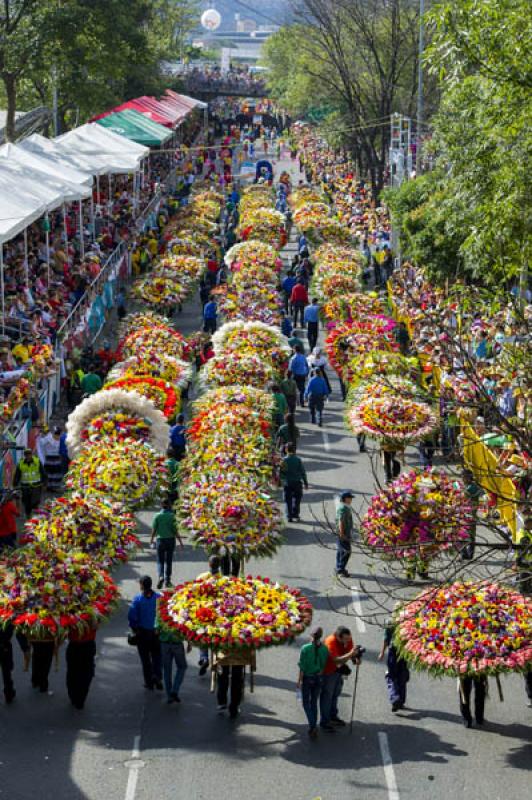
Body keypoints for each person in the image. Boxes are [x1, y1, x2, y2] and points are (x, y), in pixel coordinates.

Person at [320, 626, 361, 731]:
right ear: (338, 637)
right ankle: (324, 722)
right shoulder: (330, 642)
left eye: (349, 638)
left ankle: (333, 716)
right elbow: (336, 660)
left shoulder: (348, 638)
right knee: (327, 696)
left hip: (338, 671)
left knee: (335, 694)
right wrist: (351, 654)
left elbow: (351, 651)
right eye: (346, 639)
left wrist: (355, 659)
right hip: (328, 672)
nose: (348, 641)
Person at [127, 575, 163, 690]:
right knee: (157, 656)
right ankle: (157, 675)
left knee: (145, 660)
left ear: (141, 585)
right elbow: (163, 615)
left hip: (142, 634)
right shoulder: (158, 598)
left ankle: (149, 682)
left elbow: (132, 617)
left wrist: (134, 629)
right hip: (156, 633)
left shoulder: (137, 599)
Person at [297, 626, 329, 738]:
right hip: (319, 678)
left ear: (311, 635)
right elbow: (323, 666)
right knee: (314, 702)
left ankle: (312, 725)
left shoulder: (305, 648)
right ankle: (313, 726)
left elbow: (302, 667)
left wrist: (299, 681)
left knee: (305, 703)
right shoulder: (325, 649)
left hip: (308, 678)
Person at [150, 499, 184, 589]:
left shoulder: (157, 516)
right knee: (169, 561)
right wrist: (180, 542)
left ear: (161, 505)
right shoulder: (172, 516)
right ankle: (167, 580)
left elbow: (154, 529)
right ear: (169, 505)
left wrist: (151, 539)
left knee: (160, 561)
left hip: (160, 540)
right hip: (170, 540)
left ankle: (161, 576)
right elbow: (175, 530)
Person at [378, 616, 409, 712]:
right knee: (402, 676)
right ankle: (400, 700)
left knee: (392, 676)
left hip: (395, 653)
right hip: (403, 652)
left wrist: (382, 652)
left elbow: (386, 639)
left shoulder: (390, 622)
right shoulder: (408, 621)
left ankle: (395, 699)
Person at [66, 626, 97, 710]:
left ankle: (76, 697)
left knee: (75, 672)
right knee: (81, 672)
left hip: (81, 645)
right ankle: (78, 698)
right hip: (81, 644)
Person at [158, 626, 189, 705]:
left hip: (164, 644)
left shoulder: (161, 613)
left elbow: (157, 627)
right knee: (182, 667)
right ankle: (174, 690)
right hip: (177, 643)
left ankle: (169, 695)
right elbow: (186, 627)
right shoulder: (180, 613)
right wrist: (189, 641)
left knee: (167, 670)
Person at [13, 448, 46, 518]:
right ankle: (28, 515)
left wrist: (45, 483)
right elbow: (17, 475)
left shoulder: (37, 462)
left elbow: (43, 472)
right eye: (26, 455)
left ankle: (35, 516)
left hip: (36, 485)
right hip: (25, 486)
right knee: (26, 502)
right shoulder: (21, 464)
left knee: (35, 501)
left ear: (31, 454)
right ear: (25, 455)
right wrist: (15, 484)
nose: (28, 456)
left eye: (29, 454)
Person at [280, 444, 309, 523]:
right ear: (294, 450)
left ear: (286, 450)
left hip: (287, 483)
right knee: (297, 499)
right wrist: (306, 483)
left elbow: (281, 473)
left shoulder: (284, 460)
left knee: (288, 500)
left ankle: (289, 516)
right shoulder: (298, 460)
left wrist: (281, 481)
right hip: (297, 483)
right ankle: (295, 515)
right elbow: (303, 472)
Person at [462, 470, 484, 560]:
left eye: (464, 477)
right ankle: (466, 553)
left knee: (467, 535)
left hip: (470, 515)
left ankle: (468, 554)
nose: (463, 479)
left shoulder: (472, 487)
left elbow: (481, 493)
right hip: (465, 514)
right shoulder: (468, 486)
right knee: (465, 534)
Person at [37, 425, 64, 492]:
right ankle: (50, 486)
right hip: (51, 458)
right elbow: (41, 443)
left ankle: (52, 486)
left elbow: (41, 443)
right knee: (51, 472)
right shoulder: (49, 438)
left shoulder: (56, 438)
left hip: (54, 458)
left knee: (53, 472)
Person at [336, 491, 354, 578]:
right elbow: (341, 521)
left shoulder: (345, 507)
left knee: (340, 551)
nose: (351, 499)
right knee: (347, 551)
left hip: (344, 533)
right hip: (343, 534)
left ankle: (338, 567)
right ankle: (340, 569)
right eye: (350, 498)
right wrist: (342, 533)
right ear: (345, 499)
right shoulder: (343, 508)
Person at [0, 623, 16, 704]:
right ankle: (8, 694)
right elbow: (10, 631)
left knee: (6, 672)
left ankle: (9, 693)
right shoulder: (7, 616)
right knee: (6, 672)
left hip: (4, 646)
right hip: (4, 647)